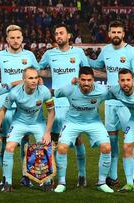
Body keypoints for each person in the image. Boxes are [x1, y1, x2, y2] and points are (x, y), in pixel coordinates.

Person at [88, 20, 134, 187]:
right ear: (110, 34)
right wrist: (79, 56)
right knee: (111, 142)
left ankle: (131, 179)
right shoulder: (106, 51)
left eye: (119, 32)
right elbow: (97, 65)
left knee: (129, 141)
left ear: (123, 34)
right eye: (114, 32)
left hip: (127, 105)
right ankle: (112, 177)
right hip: (111, 104)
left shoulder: (132, 52)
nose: (116, 35)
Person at [0, 24, 41, 187]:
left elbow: (37, 77)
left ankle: (25, 176)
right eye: (12, 37)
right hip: (6, 103)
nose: (16, 40)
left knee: (24, 140)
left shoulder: (30, 56)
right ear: (7, 39)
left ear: (22, 39)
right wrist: (0, 86)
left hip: (25, 104)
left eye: (18, 37)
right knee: (5, 140)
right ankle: (5, 177)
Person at [39, 23, 89, 187]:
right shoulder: (49, 54)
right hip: (56, 102)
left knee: (77, 139)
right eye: (56, 33)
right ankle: (51, 176)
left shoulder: (79, 52)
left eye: (61, 33)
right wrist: (38, 78)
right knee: (53, 140)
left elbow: (87, 72)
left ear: (69, 36)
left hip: (74, 102)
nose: (58, 36)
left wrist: (80, 81)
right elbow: (37, 69)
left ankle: (82, 176)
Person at [0, 67, 55, 192]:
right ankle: (7, 182)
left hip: (38, 123)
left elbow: (52, 112)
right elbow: (3, 109)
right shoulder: (14, 92)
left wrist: (47, 133)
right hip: (19, 123)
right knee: (9, 147)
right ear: (24, 79)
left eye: (36, 78)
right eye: (30, 78)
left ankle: (46, 182)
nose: (34, 81)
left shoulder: (44, 91)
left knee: (45, 147)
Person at [53, 67, 113, 193]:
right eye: (83, 80)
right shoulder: (69, 89)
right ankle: (61, 182)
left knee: (106, 147)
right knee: (61, 148)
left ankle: (101, 182)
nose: (86, 83)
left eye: (89, 80)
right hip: (72, 122)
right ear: (78, 80)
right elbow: (53, 93)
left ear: (94, 80)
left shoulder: (102, 91)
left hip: (94, 122)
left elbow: (119, 94)